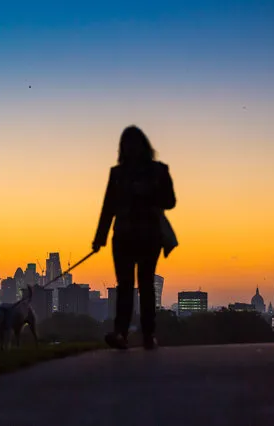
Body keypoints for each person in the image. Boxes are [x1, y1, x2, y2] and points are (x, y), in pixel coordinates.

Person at [92, 126, 176, 350]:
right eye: (126, 144)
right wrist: (99, 237)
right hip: (124, 236)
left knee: (145, 284)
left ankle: (147, 334)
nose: (130, 149)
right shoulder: (117, 174)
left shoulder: (159, 171)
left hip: (148, 235)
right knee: (126, 286)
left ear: (142, 146)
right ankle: (122, 333)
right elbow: (108, 207)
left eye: (133, 144)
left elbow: (170, 201)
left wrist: (148, 192)